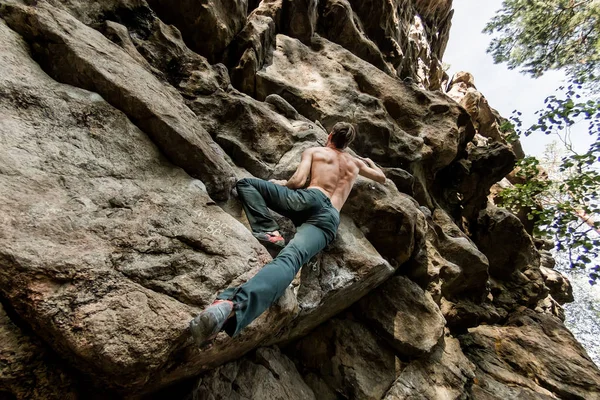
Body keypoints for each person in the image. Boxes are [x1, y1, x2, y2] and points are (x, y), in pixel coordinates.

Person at [189, 122, 386, 346]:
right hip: (330, 217)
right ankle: (233, 308)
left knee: (247, 184)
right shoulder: (354, 164)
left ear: (329, 135)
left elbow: (298, 181)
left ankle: (269, 232)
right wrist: (368, 162)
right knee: (291, 260)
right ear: (347, 144)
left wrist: (282, 182)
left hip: (308, 198)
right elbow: (381, 178)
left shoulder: (315, 151)